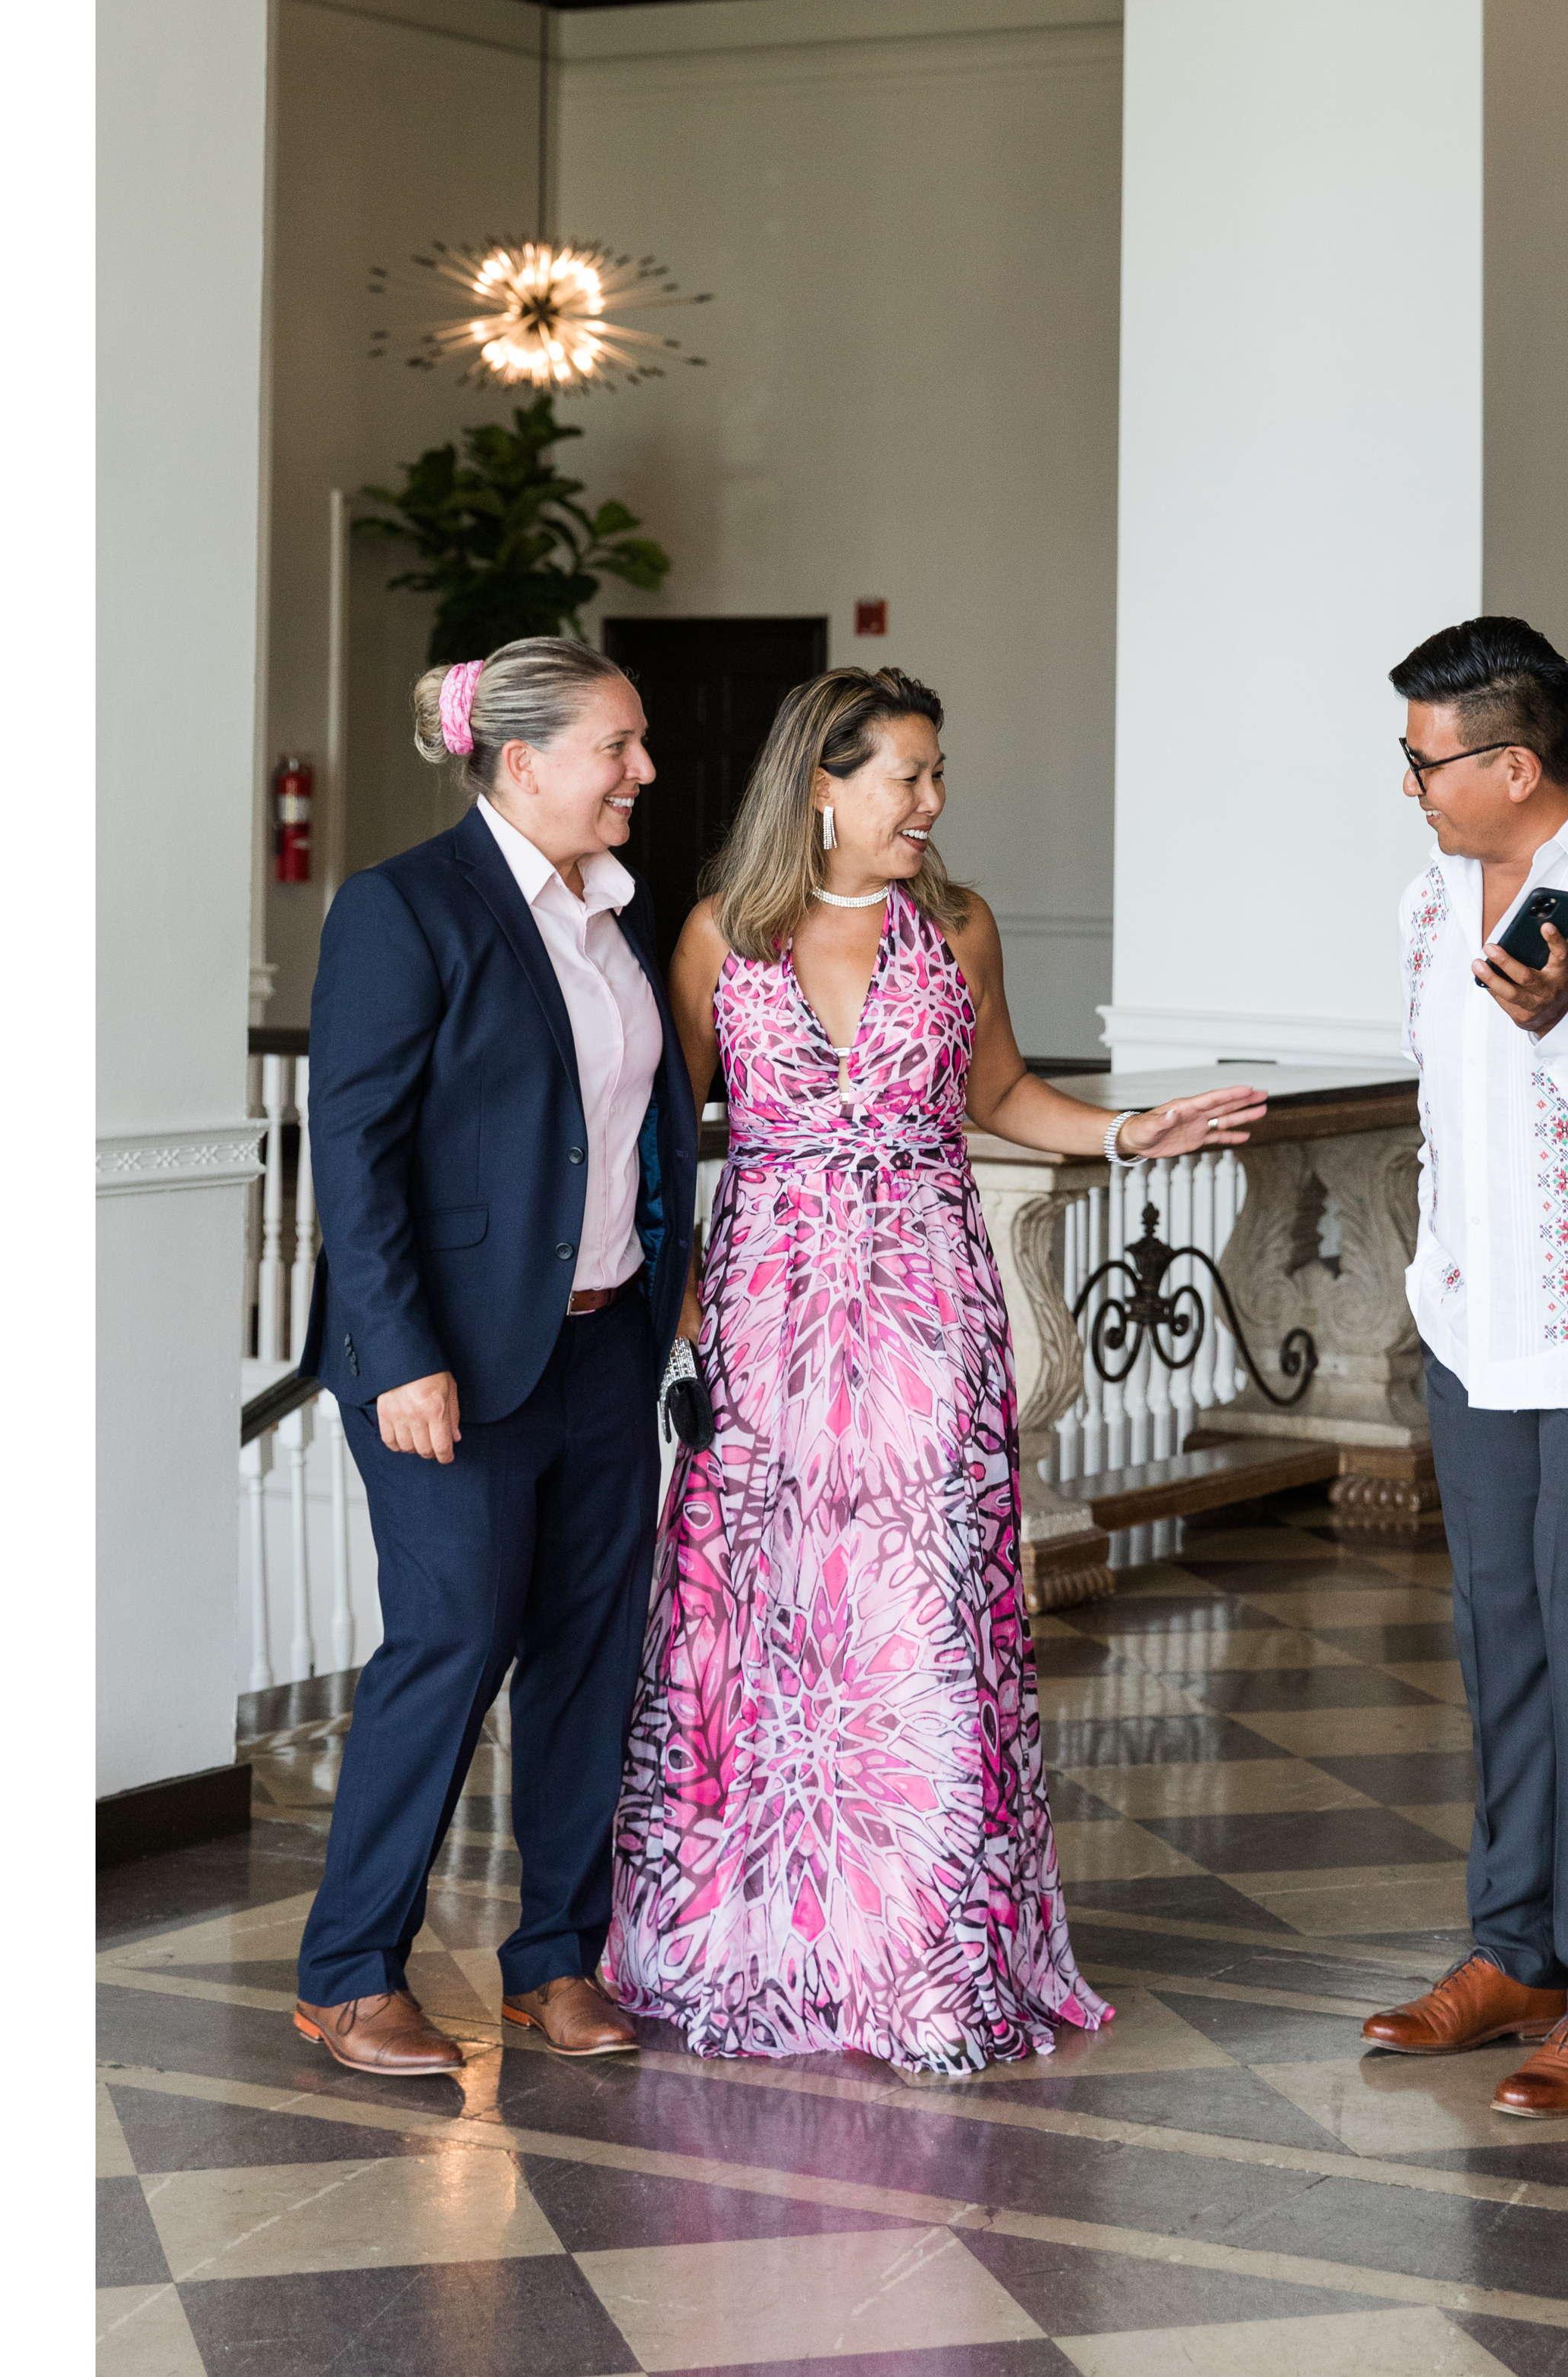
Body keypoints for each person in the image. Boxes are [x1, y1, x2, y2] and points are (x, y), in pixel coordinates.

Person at [603, 667, 1265, 2079]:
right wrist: (682, 1318)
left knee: (925, 1626)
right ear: (822, 784)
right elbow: (663, 1140)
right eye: (907, 775)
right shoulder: (722, 933)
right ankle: (745, 1942)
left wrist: (1134, 1133)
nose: (932, 800)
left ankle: (926, 1959)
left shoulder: (957, 925)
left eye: (935, 772)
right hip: (767, 1332)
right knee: (759, 1627)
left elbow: (1000, 1094)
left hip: (927, 1325)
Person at [288, 638, 701, 2077]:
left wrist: (669, 1292)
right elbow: (356, 1150)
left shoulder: (618, 914)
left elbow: (634, 1134)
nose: (644, 770)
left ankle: (556, 1962)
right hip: (448, 1363)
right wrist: (402, 1354)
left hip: (606, 1342)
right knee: (454, 1643)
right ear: (522, 762)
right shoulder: (403, 907)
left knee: (590, 1652)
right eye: (617, 747)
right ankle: (348, 1975)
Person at [1353, 617, 1568, 2121]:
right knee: (1501, 1636)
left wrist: (1567, 1028)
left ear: (1510, 764)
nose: (1410, 786)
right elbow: (1444, 1103)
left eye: (1424, 760)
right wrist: (1434, 1277)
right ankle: (1516, 1952)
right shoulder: (1428, 898)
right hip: (1474, 1325)